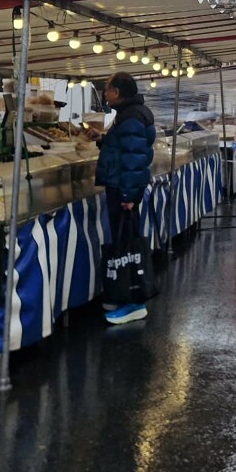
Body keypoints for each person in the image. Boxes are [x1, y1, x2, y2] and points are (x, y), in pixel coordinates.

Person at [89, 72, 156, 325]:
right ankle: (121, 293)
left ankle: (134, 302)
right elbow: (124, 148)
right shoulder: (130, 115)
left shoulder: (131, 117)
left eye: (107, 89)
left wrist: (128, 194)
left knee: (127, 244)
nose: (105, 94)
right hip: (121, 187)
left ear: (117, 92)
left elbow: (133, 158)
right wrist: (103, 140)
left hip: (123, 190)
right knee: (123, 241)